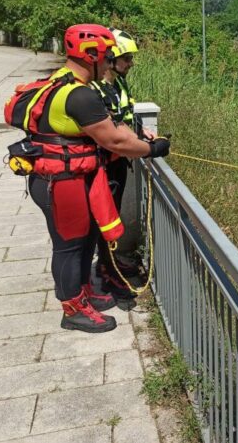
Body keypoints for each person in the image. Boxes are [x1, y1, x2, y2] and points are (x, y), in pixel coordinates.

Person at [4, 24, 169, 333]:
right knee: (69, 245)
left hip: (65, 178)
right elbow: (115, 142)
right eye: (106, 57)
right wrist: (151, 148)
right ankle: (73, 309)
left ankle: (84, 291)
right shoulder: (80, 95)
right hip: (62, 182)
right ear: (90, 55)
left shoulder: (60, 82)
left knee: (86, 237)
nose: (109, 63)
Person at [90, 27, 155, 307]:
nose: (131, 63)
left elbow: (124, 117)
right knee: (107, 221)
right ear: (112, 57)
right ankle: (107, 274)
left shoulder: (117, 83)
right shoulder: (98, 89)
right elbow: (111, 132)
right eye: (126, 58)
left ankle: (112, 265)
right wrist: (148, 149)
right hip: (106, 166)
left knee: (112, 217)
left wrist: (143, 135)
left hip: (118, 164)